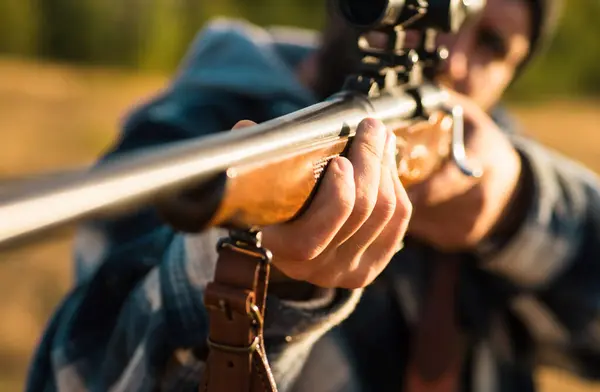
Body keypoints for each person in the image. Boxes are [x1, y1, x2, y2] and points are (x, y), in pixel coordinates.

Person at [24, 0, 600, 391]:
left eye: (493, 43)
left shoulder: (496, 157)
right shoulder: (185, 131)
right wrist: (258, 278)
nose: (449, 53)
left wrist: (515, 212)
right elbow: (77, 374)